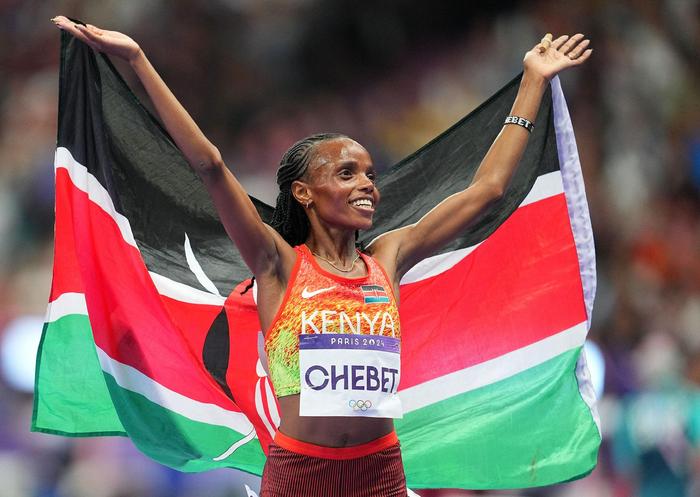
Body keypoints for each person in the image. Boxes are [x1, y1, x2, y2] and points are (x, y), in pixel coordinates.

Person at [51, 16, 592, 497]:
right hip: (300, 476)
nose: (367, 185)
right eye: (347, 173)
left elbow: (488, 190)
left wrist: (532, 80)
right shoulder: (277, 264)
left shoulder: (389, 256)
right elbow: (210, 165)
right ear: (305, 192)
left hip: (380, 473)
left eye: (370, 175)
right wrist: (138, 61)